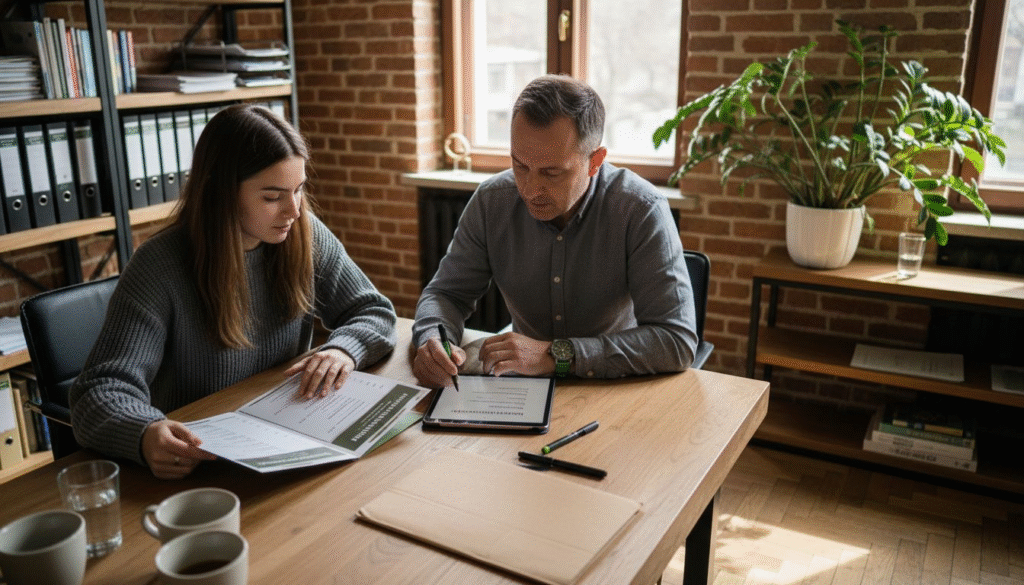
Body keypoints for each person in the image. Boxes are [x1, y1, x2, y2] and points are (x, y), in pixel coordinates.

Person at [70, 104, 397, 479]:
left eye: (299, 190)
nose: (293, 210)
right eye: (272, 197)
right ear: (220, 192)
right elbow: (98, 390)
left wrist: (344, 349)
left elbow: (374, 311)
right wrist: (144, 432)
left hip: (281, 442)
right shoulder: (159, 266)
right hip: (199, 463)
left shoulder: (303, 233)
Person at [412, 74, 698, 387]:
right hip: (521, 383)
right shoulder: (491, 201)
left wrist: (556, 355)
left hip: (612, 383)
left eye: (551, 173)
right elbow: (447, 294)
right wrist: (433, 339)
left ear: (595, 161)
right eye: (520, 165)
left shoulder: (640, 209)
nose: (530, 189)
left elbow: (676, 340)